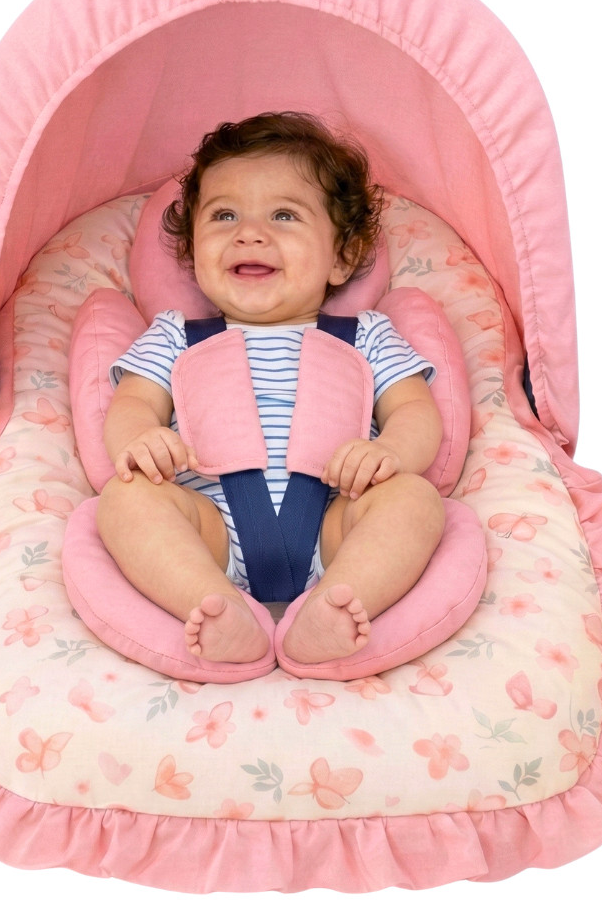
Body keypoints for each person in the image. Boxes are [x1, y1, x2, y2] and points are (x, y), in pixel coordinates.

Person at [96, 112, 445, 667]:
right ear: (192, 250)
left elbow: (414, 411)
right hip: (209, 529)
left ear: (341, 257)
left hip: (335, 525)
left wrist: (390, 454)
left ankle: (335, 604)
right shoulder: (174, 336)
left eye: (284, 215)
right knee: (124, 500)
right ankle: (214, 604)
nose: (249, 233)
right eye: (224, 215)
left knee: (415, 501)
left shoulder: (368, 335)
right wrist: (141, 440)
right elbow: (133, 403)